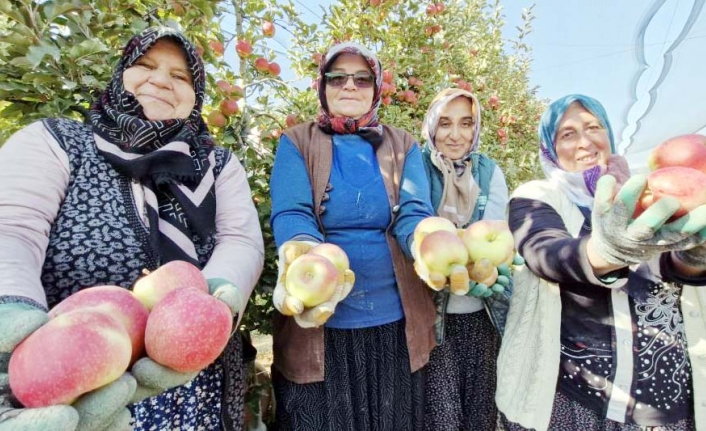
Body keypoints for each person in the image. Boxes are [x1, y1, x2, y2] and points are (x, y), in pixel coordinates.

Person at [0, 26, 264, 430]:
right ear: (121, 73)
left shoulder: (217, 165)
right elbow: (12, 228)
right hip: (67, 374)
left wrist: (212, 304)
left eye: (180, 76)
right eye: (145, 65)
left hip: (192, 376)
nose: (161, 80)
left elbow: (240, 240)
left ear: (196, 97)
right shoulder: (58, 141)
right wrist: (12, 304)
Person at [496, 94, 706, 431]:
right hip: (576, 399)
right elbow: (546, 254)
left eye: (593, 127)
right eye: (568, 134)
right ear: (551, 147)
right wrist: (608, 250)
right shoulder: (537, 196)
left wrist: (697, 254)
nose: (585, 141)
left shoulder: (649, 194)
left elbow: (675, 266)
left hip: (665, 402)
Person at [268, 41, 437, 430]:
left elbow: (413, 211)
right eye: (337, 77)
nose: (349, 86)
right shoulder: (297, 141)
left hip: (393, 322)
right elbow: (293, 211)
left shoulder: (403, 144)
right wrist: (305, 255)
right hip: (323, 324)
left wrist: (426, 242)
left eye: (362, 79)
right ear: (322, 85)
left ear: (376, 87)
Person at [419, 87, 509, 430]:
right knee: (442, 417)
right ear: (431, 127)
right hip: (434, 318)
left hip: (483, 316)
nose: (455, 134)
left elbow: (497, 235)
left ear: (476, 128)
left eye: (466, 123)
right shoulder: (419, 169)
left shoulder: (488, 172)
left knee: (480, 415)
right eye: (445, 123)